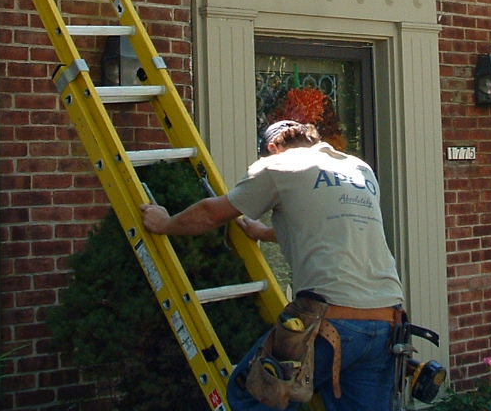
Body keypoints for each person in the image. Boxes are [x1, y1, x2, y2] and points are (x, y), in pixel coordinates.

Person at [141, 119, 404, 411]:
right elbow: (326, 226)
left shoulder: (281, 165)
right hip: (386, 321)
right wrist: (264, 233)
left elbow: (210, 213)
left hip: (331, 319)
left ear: (272, 147)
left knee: (250, 396)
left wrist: (164, 223)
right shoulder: (358, 168)